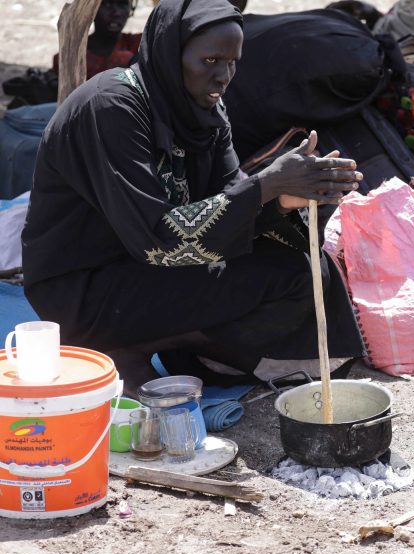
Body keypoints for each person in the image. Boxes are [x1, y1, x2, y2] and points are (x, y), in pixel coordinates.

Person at [22, 0, 365, 396]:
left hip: (149, 270)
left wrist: (285, 198)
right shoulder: (111, 107)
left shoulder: (206, 113)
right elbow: (158, 241)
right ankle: (125, 345)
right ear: (171, 52)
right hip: (85, 288)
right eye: (210, 60)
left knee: (301, 269)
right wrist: (265, 185)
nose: (223, 77)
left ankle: (183, 345)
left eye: (233, 62)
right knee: (268, 274)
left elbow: (225, 203)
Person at [52, 0, 142, 80]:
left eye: (122, 4)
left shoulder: (139, 45)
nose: (116, 13)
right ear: (91, 10)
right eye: (107, 4)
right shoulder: (72, 56)